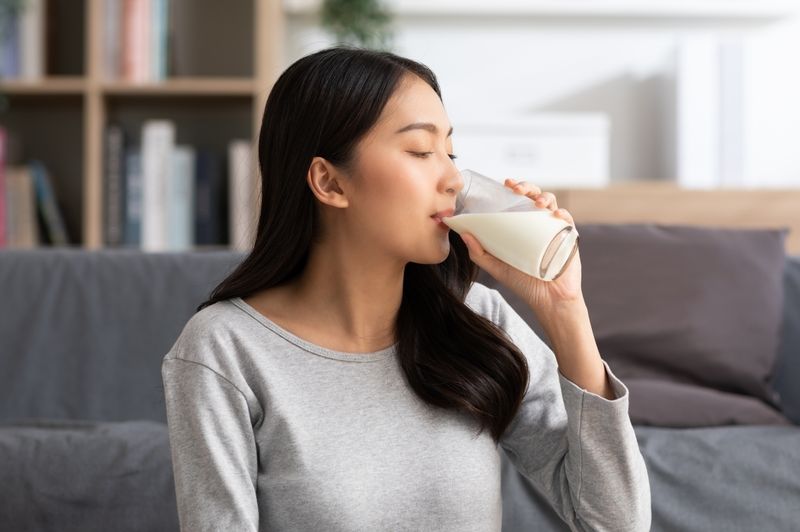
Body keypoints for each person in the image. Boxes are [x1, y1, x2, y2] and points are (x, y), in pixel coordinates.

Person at [161, 45, 651, 531]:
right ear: (329, 183)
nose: (455, 178)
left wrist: (564, 306)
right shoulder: (223, 350)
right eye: (421, 151)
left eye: (451, 152)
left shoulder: (477, 320)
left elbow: (615, 524)